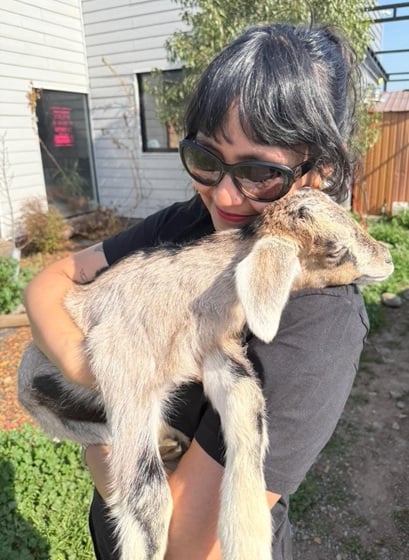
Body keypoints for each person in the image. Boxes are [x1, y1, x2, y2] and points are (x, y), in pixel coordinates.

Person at [24, 22, 369, 560]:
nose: (225, 195)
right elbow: (50, 282)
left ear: (319, 169)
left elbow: (186, 545)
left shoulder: (317, 322)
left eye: (259, 172)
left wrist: (102, 445)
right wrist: (99, 373)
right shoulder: (187, 224)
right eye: (206, 159)